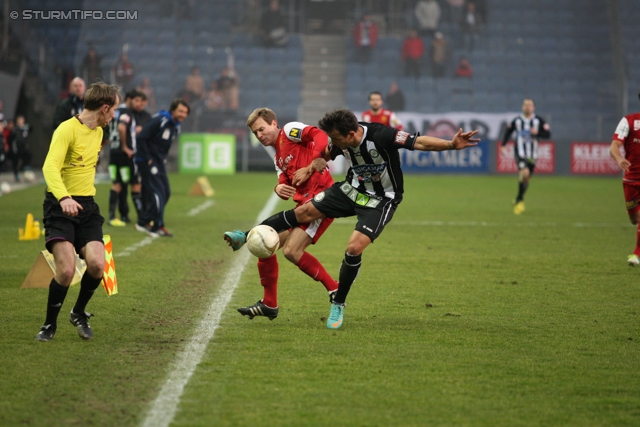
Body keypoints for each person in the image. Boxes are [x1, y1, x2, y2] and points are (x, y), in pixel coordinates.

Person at [225, 109, 479, 329]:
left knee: (353, 248)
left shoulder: (381, 135)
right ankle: (247, 234)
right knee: (303, 212)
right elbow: (323, 153)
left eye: (336, 140)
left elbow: (419, 142)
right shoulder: (337, 142)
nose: (334, 144)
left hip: (382, 199)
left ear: (350, 135)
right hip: (351, 190)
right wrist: (312, 166)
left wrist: (450, 144)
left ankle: (338, 301)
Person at [224, 108, 339, 319]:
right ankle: (269, 304)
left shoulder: (290, 131)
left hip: (321, 200)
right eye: (255, 133)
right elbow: (284, 184)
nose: (259, 136)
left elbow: (319, 135)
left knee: (291, 251)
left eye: (261, 129)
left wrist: (312, 164)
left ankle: (335, 290)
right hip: (303, 205)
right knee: (264, 244)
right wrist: (279, 188)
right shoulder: (278, 158)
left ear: (274, 124)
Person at [35, 82, 120, 342]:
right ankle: (49, 325)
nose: (114, 115)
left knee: (97, 265)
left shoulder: (98, 132)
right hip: (60, 207)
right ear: (104, 108)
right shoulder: (66, 129)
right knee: (66, 271)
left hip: (88, 208)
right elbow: (49, 168)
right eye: (114, 110)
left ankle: (78, 312)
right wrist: (64, 198)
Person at [134, 99, 190, 237]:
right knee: (158, 193)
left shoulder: (176, 126)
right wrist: (148, 158)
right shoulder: (160, 120)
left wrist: (161, 159)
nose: (183, 114)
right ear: (173, 110)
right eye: (181, 111)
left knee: (166, 193)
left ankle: (144, 221)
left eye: (185, 113)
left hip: (159, 163)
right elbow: (141, 137)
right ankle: (157, 226)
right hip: (146, 161)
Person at [501, 98, 551, 215]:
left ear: (533, 107)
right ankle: (520, 201)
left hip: (533, 154)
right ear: (522, 107)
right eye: (525, 105)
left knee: (526, 178)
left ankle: (519, 199)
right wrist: (503, 145)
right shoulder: (517, 120)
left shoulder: (539, 121)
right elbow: (508, 131)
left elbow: (548, 134)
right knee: (525, 173)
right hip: (520, 152)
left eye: (530, 105)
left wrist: (537, 133)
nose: (527, 107)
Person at [107, 90, 146, 226]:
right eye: (136, 101)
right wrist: (125, 147)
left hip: (113, 152)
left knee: (117, 184)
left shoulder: (115, 112)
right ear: (129, 99)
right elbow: (122, 128)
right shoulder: (126, 112)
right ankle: (142, 218)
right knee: (135, 183)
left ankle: (113, 216)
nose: (139, 104)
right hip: (125, 154)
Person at [610, 92, 640, 266]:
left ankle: (636, 254)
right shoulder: (628, 121)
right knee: (634, 219)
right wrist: (619, 158)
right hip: (631, 179)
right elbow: (614, 146)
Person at [10, 115, 32, 181]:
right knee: (16, 162)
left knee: (28, 155)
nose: (21, 122)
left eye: (22, 120)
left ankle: (24, 168)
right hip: (16, 149)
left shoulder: (24, 129)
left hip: (23, 148)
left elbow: (31, 130)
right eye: (20, 120)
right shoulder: (15, 130)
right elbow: (11, 139)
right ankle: (16, 174)